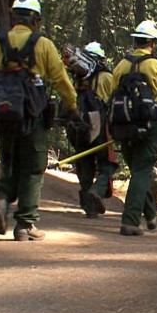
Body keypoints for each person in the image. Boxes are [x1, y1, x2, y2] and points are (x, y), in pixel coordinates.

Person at [0, 0, 79, 242]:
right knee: (33, 167)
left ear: (13, 17)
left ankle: (3, 200)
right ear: (35, 20)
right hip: (31, 116)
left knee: (9, 164)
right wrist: (72, 107)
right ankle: (26, 224)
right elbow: (61, 80)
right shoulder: (43, 45)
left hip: (1, 114)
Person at [109, 20, 157, 236]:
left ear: (136, 40)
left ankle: (150, 214)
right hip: (149, 125)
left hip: (123, 125)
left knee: (138, 170)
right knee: (142, 171)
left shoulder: (120, 66)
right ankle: (130, 221)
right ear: (153, 43)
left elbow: (112, 95)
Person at [63, 41, 117, 218]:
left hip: (78, 126)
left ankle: (89, 207)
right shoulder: (107, 77)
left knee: (84, 164)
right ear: (100, 59)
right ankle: (97, 191)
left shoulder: (78, 79)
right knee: (107, 164)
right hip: (99, 126)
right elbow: (113, 102)